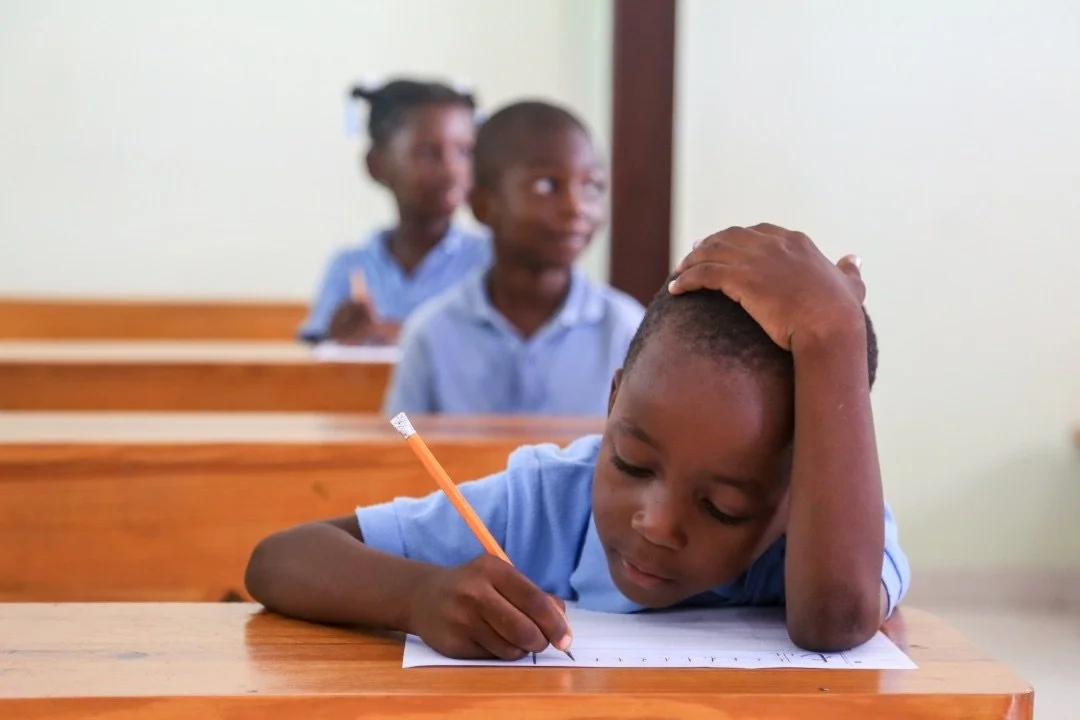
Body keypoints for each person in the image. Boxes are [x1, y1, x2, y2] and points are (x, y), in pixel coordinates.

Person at [245, 224, 909, 657]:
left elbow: (836, 621)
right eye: (630, 461)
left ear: (804, 487)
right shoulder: (546, 502)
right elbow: (279, 560)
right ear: (613, 397)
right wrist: (418, 594)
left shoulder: (829, 535)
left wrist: (834, 334)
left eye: (724, 507)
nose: (656, 523)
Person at [381, 100, 644, 414]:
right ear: (483, 205)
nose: (576, 208)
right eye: (547, 185)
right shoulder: (431, 333)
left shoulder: (625, 330)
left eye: (592, 186)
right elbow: (402, 450)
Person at [298, 79, 492, 345]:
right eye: (427, 153)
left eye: (464, 152)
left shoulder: (491, 261)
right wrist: (336, 336)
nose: (451, 170)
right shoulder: (349, 266)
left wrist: (393, 333)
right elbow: (313, 362)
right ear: (376, 165)